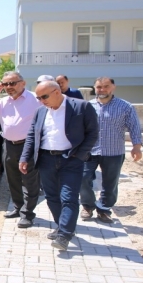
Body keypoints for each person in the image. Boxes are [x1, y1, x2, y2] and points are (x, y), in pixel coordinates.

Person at [19, 81, 99, 251]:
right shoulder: (40, 111)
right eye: (39, 98)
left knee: (68, 197)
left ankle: (64, 235)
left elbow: (93, 132)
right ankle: (61, 226)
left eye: (44, 96)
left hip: (71, 159)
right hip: (46, 159)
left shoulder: (81, 107)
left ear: (56, 92)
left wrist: (79, 155)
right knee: (52, 197)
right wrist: (25, 158)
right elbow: (32, 135)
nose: (41, 101)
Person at [0, 71, 42, 228]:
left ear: (22, 83)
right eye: (5, 84)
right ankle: (17, 207)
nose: (9, 87)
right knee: (12, 178)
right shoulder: (3, 102)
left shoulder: (35, 99)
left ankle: (28, 214)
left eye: (12, 83)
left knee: (29, 181)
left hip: (28, 145)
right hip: (9, 145)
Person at [80, 77, 142, 223]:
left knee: (110, 183)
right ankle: (88, 206)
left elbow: (134, 127)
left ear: (113, 87)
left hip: (114, 151)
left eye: (105, 86)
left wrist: (137, 147)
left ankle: (104, 209)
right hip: (90, 151)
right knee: (83, 178)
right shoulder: (88, 106)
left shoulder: (125, 106)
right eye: (98, 87)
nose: (102, 90)